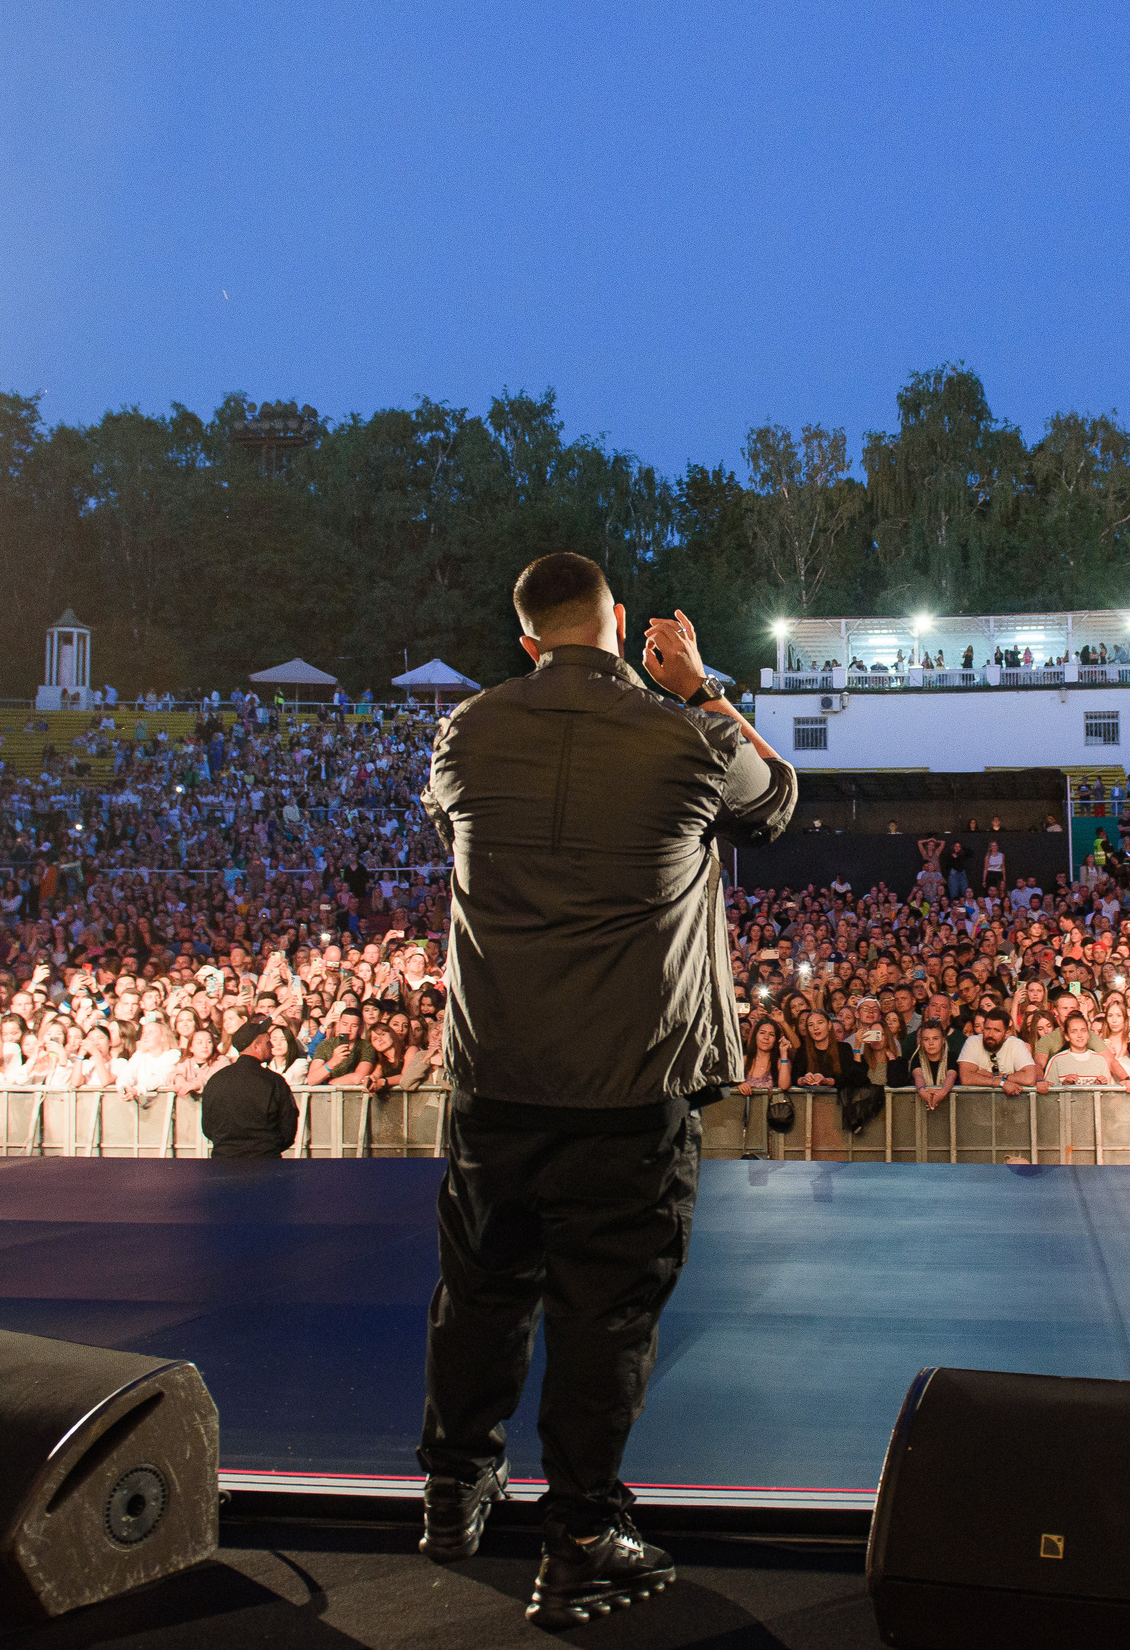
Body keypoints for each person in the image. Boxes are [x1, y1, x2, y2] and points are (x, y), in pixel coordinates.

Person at [414, 553, 796, 1626]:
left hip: (496, 1082)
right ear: (620, 622)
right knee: (604, 1314)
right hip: (629, 1089)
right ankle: (579, 1536)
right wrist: (698, 685)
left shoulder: (466, 731)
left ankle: (453, 1491)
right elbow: (776, 802)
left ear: (525, 634)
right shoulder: (683, 735)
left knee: (480, 1290)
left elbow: (456, 836)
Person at [197, 1017, 299, 1157]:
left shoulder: (216, 1080)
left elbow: (208, 1127)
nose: (272, 1046)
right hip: (265, 1164)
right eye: (268, 1042)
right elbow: (288, 1129)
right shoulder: (274, 1081)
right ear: (256, 1046)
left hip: (224, 1164)